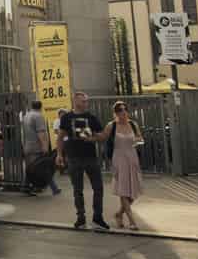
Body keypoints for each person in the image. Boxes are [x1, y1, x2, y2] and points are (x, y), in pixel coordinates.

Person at [56, 92, 110, 230]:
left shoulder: (91, 118)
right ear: (76, 102)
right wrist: (59, 154)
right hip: (73, 158)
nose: (87, 103)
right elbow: (60, 137)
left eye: (87, 100)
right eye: (84, 101)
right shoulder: (67, 118)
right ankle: (81, 217)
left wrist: (93, 138)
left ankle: (98, 217)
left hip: (90, 157)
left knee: (98, 188)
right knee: (77, 189)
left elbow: (102, 136)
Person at [92, 101, 143, 230]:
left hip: (132, 158)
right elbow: (102, 137)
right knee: (123, 191)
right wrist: (89, 136)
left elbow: (140, 138)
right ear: (115, 113)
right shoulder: (112, 125)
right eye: (120, 110)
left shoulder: (133, 124)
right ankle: (132, 221)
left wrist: (138, 141)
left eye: (125, 109)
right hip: (118, 159)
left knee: (133, 193)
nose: (123, 112)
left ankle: (119, 214)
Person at [22, 100, 61, 196]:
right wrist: (44, 146)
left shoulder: (26, 116)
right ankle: (54, 188)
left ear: (32, 106)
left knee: (31, 168)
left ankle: (26, 186)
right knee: (44, 168)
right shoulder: (38, 116)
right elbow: (41, 133)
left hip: (28, 146)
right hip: (36, 147)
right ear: (41, 107)